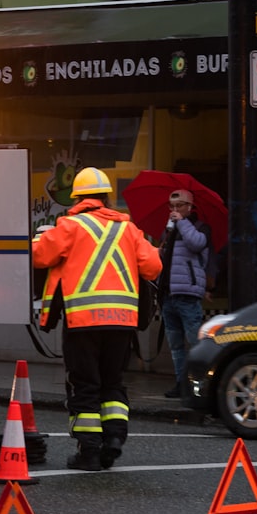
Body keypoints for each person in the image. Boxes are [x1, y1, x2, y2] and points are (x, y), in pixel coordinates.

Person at [32, 167, 162, 471]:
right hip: (122, 322)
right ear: (106, 197)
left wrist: (39, 238)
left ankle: (88, 452)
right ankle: (114, 439)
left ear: (76, 198)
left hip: (83, 322)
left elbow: (39, 257)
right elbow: (153, 267)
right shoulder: (128, 228)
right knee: (113, 383)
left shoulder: (70, 225)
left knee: (85, 384)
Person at [157, 188, 212, 399]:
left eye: (179, 205)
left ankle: (199, 386)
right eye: (171, 206)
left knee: (195, 344)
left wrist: (181, 221)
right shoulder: (170, 231)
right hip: (169, 294)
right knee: (176, 346)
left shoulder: (200, 227)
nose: (174, 210)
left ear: (190, 207)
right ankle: (181, 384)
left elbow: (197, 243)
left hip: (188, 294)